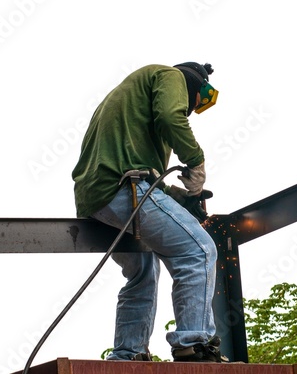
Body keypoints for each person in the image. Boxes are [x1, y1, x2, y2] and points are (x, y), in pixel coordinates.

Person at [71, 62, 223, 362]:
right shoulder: (170, 76)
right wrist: (196, 161)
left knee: (143, 271)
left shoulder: (132, 103)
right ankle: (193, 343)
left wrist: (181, 198)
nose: (194, 107)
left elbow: (151, 181)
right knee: (199, 252)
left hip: (97, 198)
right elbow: (170, 116)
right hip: (125, 188)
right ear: (196, 86)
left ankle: (128, 354)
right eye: (199, 99)